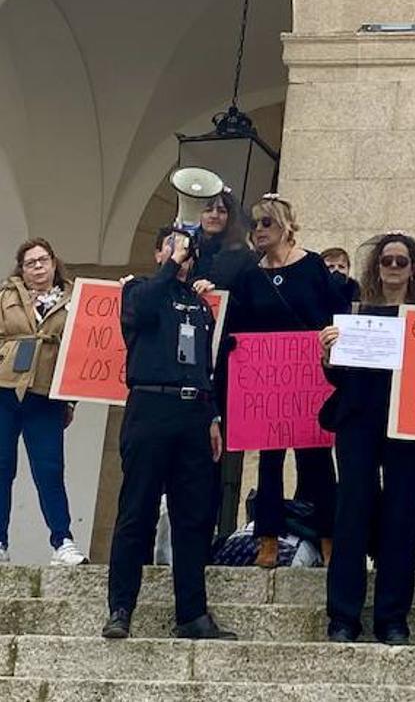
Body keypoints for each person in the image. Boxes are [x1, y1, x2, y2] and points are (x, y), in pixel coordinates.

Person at [103, 228, 234, 640]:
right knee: (136, 510)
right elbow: (138, 313)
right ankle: (121, 607)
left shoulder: (199, 305)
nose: (181, 253)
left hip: (193, 411)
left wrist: (212, 415)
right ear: (159, 252)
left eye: (186, 248)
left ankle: (192, 613)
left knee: (192, 517)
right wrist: (170, 265)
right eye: (172, 245)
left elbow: (203, 365)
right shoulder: (141, 290)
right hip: (150, 407)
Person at [318, 233, 415, 644]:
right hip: (359, 421)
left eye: (403, 261)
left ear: (414, 268)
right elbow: (338, 375)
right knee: (351, 514)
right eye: (388, 260)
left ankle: (392, 618)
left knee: (400, 520)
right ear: (376, 266)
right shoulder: (353, 313)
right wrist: (328, 354)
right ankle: (343, 617)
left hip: (408, 426)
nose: (395, 268)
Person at [230, 195, 347, 568]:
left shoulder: (312, 266)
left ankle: (327, 535)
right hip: (268, 382)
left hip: (310, 375)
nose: (259, 230)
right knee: (269, 461)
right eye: (255, 225)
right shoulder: (250, 274)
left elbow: (335, 311)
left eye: (266, 223)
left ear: (285, 226)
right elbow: (238, 324)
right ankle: (268, 536)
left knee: (316, 460)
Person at [0, 239, 85, 565]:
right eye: (30, 262)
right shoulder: (6, 296)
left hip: (46, 393)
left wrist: (72, 400)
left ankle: (62, 541)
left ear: (54, 262)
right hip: (5, 388)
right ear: (21, 269)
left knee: (49, 469)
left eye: (43, 260)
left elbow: (82, 350)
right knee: (2, 468)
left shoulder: (74, 297)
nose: (37, 267)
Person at [186, 189, 257, 539]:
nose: (214, 214)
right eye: (208, 208)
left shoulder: (241, 257)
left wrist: (217, 292)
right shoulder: (184, 250)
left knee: (217, 451)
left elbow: (247, 306)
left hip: (223, 364)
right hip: (181, 366)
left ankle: (217, 527)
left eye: (221, 210)